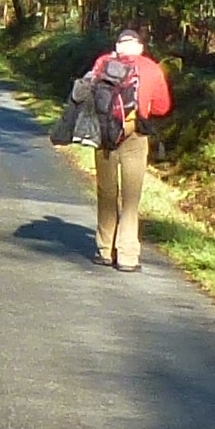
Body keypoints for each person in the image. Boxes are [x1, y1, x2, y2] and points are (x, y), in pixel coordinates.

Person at [80, 27, 174, 269]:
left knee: (106, 193)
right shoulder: (151, 68)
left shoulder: (103, 63)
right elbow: (163, 108)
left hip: (104, 136)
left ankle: (104, 250)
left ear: (118, 46)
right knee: (131, 199)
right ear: (140, 48)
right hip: (135, 136)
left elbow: (88, 92)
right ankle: (128, 256)